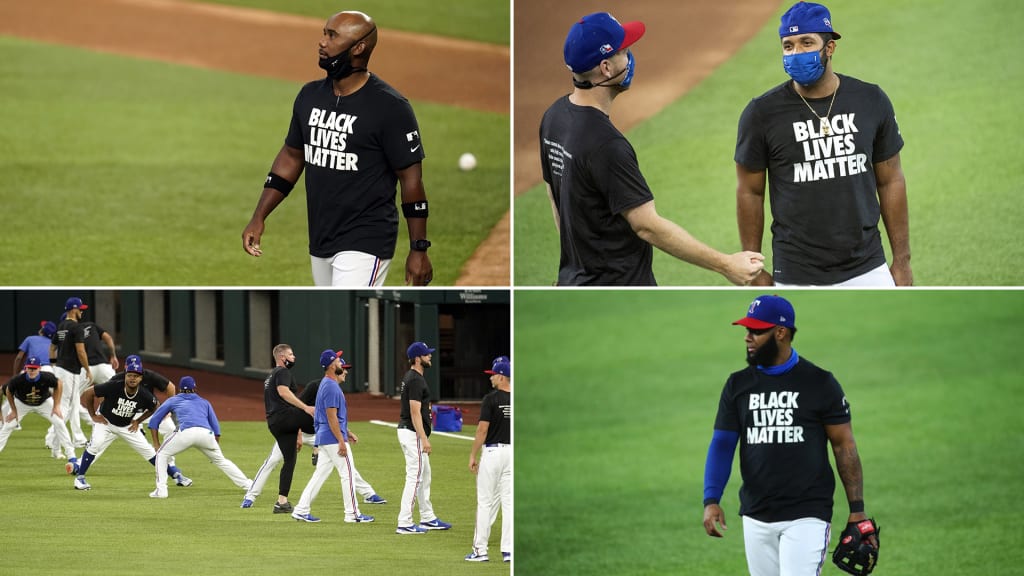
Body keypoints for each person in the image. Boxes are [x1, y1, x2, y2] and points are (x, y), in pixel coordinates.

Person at [539, 12, 764, 286]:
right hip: (619, 287)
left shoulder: (554, 117)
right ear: (607, 68)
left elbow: (555, 196)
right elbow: (647, 225)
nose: (631, 59)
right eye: (625, 52)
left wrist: (572, 270)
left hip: (575, 282)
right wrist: (725, 264)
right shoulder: (606, 145)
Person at [242, 10, 432, 287]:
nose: (322, 42)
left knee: (347, 314)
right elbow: (292, 156)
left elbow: (411, 180)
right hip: (321, 237)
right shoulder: (310, 96)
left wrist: (419, 249)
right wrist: (259, 217)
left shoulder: (390, 107)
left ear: (359, 47)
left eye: (332, 35)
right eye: (324, 33)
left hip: (367, 239)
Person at [735, 2, 911, 287]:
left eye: (806, 43)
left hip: (867, 266)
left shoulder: (871, 100)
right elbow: (750, 192)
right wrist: (753, 266)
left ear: (829, 48)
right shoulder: (761, 114)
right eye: (788, 45)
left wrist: (901, 261)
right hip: (795, 272)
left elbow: (891, 180)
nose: (796, 53)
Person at [702, 295, 878, 576]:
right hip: (756, 514)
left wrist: (857, 508)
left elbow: (844, 445)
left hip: (807, 515)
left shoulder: (819, 383)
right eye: (746, 330)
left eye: (756, 331)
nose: (748, 337)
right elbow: (722, 444)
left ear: (781, 333)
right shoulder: (738, 385)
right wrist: (711, 499)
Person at [242, 367, 385, 509]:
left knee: (342, 461)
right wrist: (297, 433)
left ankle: (368, 493)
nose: (346, 372)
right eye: (343, 368)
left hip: (318, 434)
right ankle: (250, 496)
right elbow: (295, 410)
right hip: (297, 431)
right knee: (272, 460)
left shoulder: (335, 389)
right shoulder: (315, 386)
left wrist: (347, 431)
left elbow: (331, 416)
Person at [72, 355, 191, 491]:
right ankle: (80, 477)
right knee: (97, 444)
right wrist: (94, 415)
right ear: (125, 374)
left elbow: (155, 406)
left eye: (136, 376)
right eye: (130, 375)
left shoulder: (144, 394)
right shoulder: (115, 384)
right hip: (106, 422)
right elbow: (89, 393)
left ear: (141, 378)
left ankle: (176, 475)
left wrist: (138, 421)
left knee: (149, 452)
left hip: (127, 425)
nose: (132, 378)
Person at [290, 351, 375, 523]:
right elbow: (331, 417)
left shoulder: (327, 384)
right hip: (332, 438)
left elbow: (329, 416)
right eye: (338, 361)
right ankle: (352, 514)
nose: (342, 366)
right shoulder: (330, 387)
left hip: (325, 437)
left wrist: (347, 431)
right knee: (347, 474)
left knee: (319, 475)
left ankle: (301, 509)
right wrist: (341, 440)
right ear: (331, 365)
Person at [147, 376, 253, 499]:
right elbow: (216, 430)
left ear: (180, 389)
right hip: (206, 434)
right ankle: (248, 485)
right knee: (221, 460)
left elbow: (154, 421)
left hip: (186, 432)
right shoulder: (204, 402)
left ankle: (161, 490)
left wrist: (156, 443)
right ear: (195, 388)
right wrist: (214, 448)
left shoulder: (173, 400)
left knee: (161, 454)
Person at [395, 341, 451, 534]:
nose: (430, 357)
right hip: (412, 433)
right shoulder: (415, 379)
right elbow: (415, 412)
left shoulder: (412, 377)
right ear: (418, 358)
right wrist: (424, 438)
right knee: (415, 477)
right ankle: (405, 522)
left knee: (424, 474)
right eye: (427, 354)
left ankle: (427, 517)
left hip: (411, 432)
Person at [464, 357, 512, 563]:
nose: (491, 378)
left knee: (484, 502)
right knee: (509, 504)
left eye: (493, 375)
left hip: (492, 454)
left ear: (501, 376)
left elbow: (482, 430)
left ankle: (480, 550)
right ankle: (509, 551)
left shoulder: (491, 399)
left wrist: (473, 454)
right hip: (512, 454)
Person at [261, 344, 315, 514]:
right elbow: (284, 393)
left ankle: (281, 502)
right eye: (291, 354)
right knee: (316, 404)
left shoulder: (270, 375)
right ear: (282, 357)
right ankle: (317, 448)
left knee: (289, 461)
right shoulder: (283, 372)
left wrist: (298, 432)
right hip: (284, 417)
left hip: (274, 423)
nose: (294, 357)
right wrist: (305, 407)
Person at [0, 357, 76, 470]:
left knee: (59, 422)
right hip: (22, 403)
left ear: (39, 368)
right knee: (7, 426)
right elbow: (7, 391)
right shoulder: (18, 380)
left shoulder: (46, 377)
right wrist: (14, 411)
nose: (32, 371)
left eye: (34, 368)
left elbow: (58, 383)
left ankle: (72, 456)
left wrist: (56, 406)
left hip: (44, 402)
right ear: (25, 368)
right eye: (29, 368)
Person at [49, 297, 92, 459]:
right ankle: (58, 447)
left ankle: (55, 447)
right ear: (74, 310)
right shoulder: (76, 328)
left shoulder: (61, 326)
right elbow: (81, 351)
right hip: (71, 372)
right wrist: (87, 370)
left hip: (60, 370)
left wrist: (54, 365)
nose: (82, 311)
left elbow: (52, 347)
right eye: (80, 309)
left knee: (64, 407)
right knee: (65, 410)